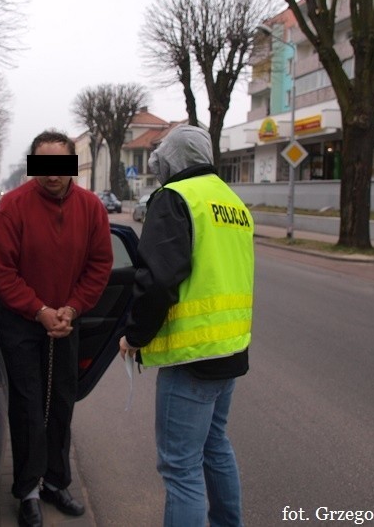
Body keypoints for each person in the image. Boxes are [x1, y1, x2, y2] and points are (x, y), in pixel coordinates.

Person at [119, 124, 254, 527]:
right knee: (215, 447)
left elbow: (157, 278)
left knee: (180, 468)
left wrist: (135, 335)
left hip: (192, 356)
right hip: (230, 349)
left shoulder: (175, 197)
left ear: (173, 159)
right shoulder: (232, 202)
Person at [0, 130, 113, 527]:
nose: (53, 175)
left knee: (60, 405)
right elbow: (0, 272)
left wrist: (72, 310)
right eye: (45, 166)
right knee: (27, 408)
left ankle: (57, 482)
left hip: (66, 323)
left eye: (61, 166)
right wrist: (39, 309)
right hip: (22, 323)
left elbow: (100, 266)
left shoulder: (92, 208)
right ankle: (27, 489)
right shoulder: (13, 206)